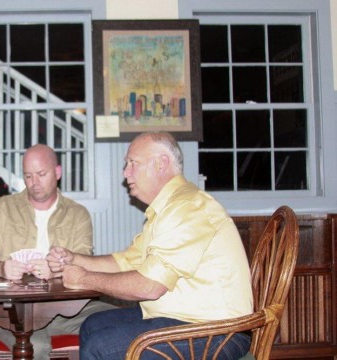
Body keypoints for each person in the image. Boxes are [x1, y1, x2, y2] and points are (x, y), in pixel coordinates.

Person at [47, 132, 254, 359]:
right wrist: (74, 259)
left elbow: (149, 287)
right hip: (185, 320)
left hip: (218, 333)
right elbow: (125, 261)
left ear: (161, 164)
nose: (125, 173)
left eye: (132, 163)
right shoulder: (167, 209)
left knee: (101, 347)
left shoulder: (186, 208)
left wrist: (83, 278)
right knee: (92, 325)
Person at [0, 144, 115, 359]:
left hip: (65, 308)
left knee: (120, 320)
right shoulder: (3, 208)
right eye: (28, 176)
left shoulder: (77, 214)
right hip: (10, 312)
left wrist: (57, 271)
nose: (35, 183)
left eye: (41, 174)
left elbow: (84, 265)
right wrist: (4, 268)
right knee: (36, 346)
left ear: (57, 172)